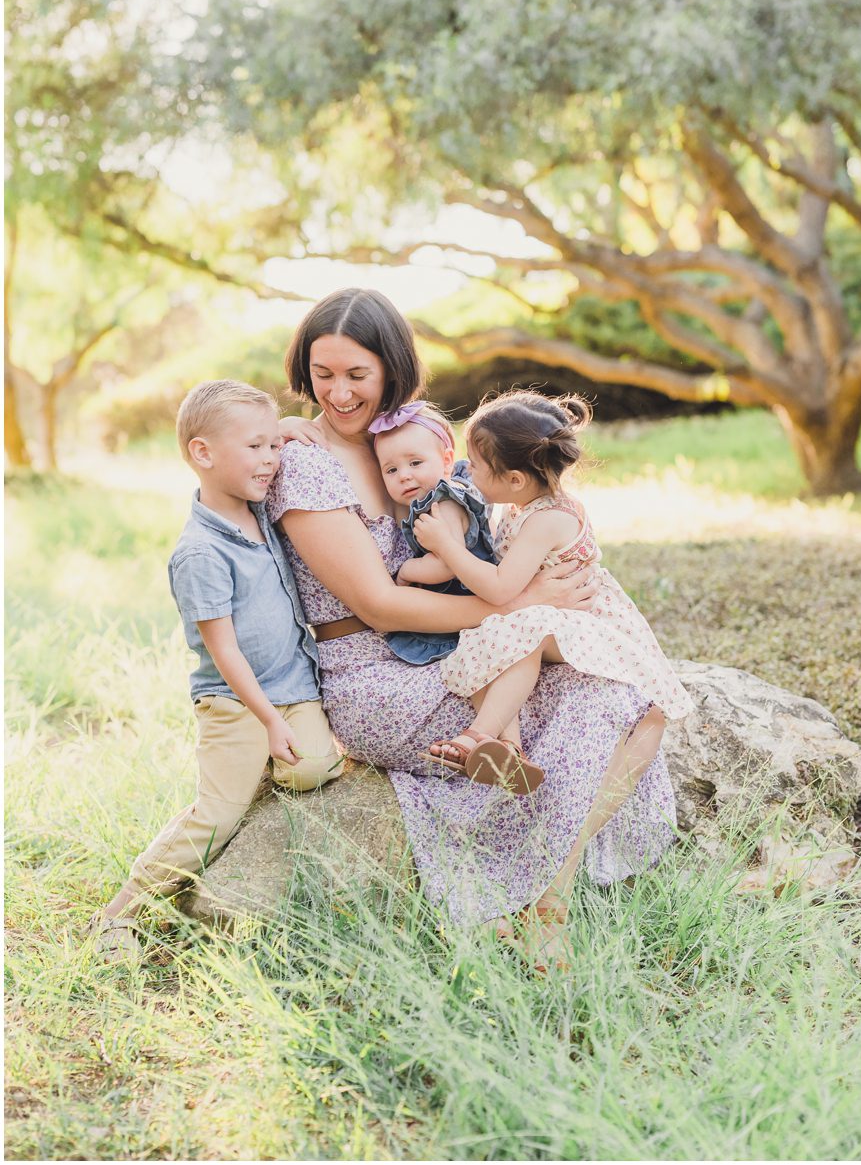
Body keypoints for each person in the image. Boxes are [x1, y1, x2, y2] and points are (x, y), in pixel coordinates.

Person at [267, 287, 676, 974]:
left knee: (633, 698)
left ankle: (548, 891)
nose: (337, 393)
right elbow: (381, 606)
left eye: (356, 374)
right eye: (322, 372)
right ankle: (539, 904)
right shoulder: (305, 463)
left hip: (457, 650)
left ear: (392, 369)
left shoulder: (408, 440)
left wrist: (538, 589)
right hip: (375, 675)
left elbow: (501, 504)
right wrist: (519, 607)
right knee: (603, 701)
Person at [90, 381, 338, 963]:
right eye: (256, 447)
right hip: (235, 699)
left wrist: (290, 430)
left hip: (293, 688)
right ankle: (119, 912)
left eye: (274, 444)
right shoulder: (201, 552)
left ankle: (260, 769)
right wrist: (269, 720)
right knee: (217, 815)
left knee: (316, 767)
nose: (271, 459)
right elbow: (224, 652)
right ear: (202, 454)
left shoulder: (260, 512)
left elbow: (276, 441)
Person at [412, 390, 697, 795]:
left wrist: (446, 546)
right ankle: (507, 750)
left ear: (514, 479)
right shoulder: (520, 503)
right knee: (488, 638)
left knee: (520, 635)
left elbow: (498, 589)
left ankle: (477, 736)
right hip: (549, 612)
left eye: (474, 466)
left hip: (585, 624)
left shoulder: (548, 519)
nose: (466, 472)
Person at [371, 401, 502, 670]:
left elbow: (445, 566)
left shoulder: (446, 503)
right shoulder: (430, 500)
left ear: (445, 462)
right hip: (465, 611)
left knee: (473, 673)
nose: (404, 476)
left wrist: (407, 570)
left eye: (415, 463)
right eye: (391, 470)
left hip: (468, 612)